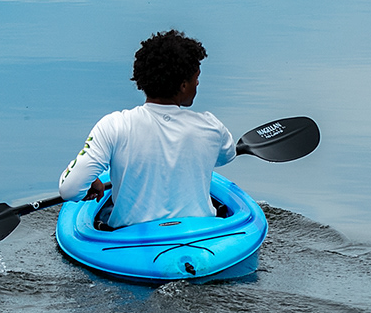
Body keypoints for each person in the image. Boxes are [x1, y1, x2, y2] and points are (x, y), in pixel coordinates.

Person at [57, 29, 237, 229]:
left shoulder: (114, 125)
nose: (197, 83)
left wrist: (91, 182)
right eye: (196, 77)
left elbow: (70, 190)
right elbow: (227, 156)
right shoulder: (211, 126)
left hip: (131, 242)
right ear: (183, 85)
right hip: (202, 237)